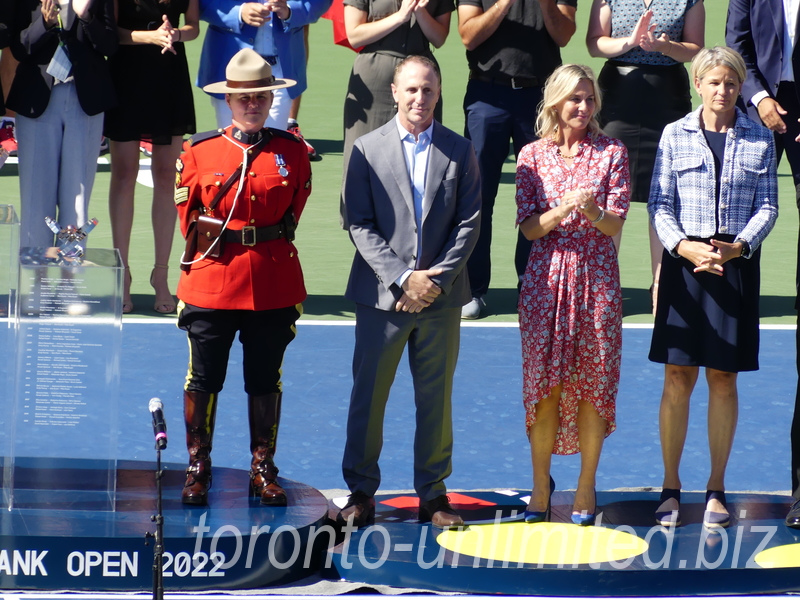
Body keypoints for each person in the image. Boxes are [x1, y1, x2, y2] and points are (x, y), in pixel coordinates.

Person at [338, 55, 480, 529]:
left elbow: (469, 223)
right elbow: (357, 222)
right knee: (369, 396)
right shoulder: (365, 148)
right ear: (395, 92)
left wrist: (433, 282)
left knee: (436, 400)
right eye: (412, 90)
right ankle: (360, 492)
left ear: (440, 93)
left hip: (439, 301)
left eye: (429, 90)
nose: (420, 98)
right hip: (382, 299)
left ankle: (434, 496)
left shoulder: (461, 150)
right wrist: (403, 278)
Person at [174, 49, 311, 506]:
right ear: (229, 102)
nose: (252, 105)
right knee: (204, 378)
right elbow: (188, 217)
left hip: (271, 279)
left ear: (271, 100)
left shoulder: (292, 151)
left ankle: (262, 466)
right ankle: (198, 465)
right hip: (213, 277)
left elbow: (293, 210)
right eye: (243, 98)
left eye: (261, 97)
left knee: (264, 379)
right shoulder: (199, 150)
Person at [648, 47, 778, 530]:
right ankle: (670, 487)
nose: (722, 90)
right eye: (713, 81)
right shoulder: (673, 135)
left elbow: (768, 208)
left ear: (739, 86)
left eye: (730, 82)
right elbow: (659, 202)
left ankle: (716, 488)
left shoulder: (759, 138)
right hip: (687, 268)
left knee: (724, 379)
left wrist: (737, 248)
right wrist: (684, 247)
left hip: (734, 268)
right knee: (677, 378)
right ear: (698, 84)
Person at [516, 64, 629, 526]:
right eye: (574, 99)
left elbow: (615, 223)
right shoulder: (531, 156)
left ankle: (586, 484)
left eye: (589, 99)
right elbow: (528, 229)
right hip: (546, 281)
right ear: (556, 103)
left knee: (593, 385)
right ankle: (541, 484)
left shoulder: (612, 152)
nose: (583, 108)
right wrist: (564, 206)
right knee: (544, 389)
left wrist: (594, 208)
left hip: (597, 278)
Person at [726, 0, 800, 531]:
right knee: (738, 217)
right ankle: (726, 315)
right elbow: (737, 46)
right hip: (761, 108)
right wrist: (759, 97)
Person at [457, 0, 577, 320]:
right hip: (486, 95)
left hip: (541, 98)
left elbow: (564, 34)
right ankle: (474, 288)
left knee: (543, 195)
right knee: (477, 195)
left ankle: (532, 284)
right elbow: (468, 35)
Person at [586, 0, 703, 299]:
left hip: (667, 98)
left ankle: (662, 287)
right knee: (610, 192)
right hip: (617, 98)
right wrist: (630, 41)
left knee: (665, 192)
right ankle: (603, 286)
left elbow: (696, 49)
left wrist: (664, 47)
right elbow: (594, 44)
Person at [105, 0, 200, 314]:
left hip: (169, 77)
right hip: (126, 76)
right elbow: (112, 33)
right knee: (123, 174)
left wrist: (174, 34)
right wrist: (150, 37)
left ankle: (161, 276)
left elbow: (193, 28)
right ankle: (122, 276)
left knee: (167, 176)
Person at [8, 0, 117, 248]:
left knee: (77, 196)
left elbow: (110, 45)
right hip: (36, 101)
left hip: (84, 99)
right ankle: (36, 280)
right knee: (36, 194)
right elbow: (17, 48)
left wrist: (87, 16)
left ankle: (70, 276)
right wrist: (44, 24)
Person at [340, 0, 453, 210]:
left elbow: (439, 37)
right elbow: (354, 35)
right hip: (372, 81)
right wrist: (400, 16)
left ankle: (417, 226)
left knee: (422, 153)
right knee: (364, 155)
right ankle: (362, 228)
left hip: (421, 78)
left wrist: (419, 10)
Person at [197, 0, 331, 131]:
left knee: (274, 140)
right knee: (231, 139)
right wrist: (238, 12)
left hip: (281, 66)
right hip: (231, 66)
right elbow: (200, 3)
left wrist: (291, 10)